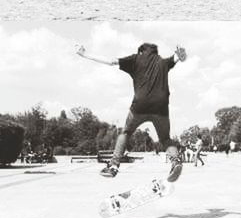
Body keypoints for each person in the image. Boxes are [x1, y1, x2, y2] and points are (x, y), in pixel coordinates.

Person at [76, 42, 187, 181]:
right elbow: (177, 57)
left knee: (126, 132)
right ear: (155, 52)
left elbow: (111, 61)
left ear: (141, 51)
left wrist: (85, 54)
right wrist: (181, 53)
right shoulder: (163, 62)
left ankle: (114, 166)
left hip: (140, 106)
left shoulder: (135, 59)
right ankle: (176, 161)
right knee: (165, 138)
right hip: (161, 106)